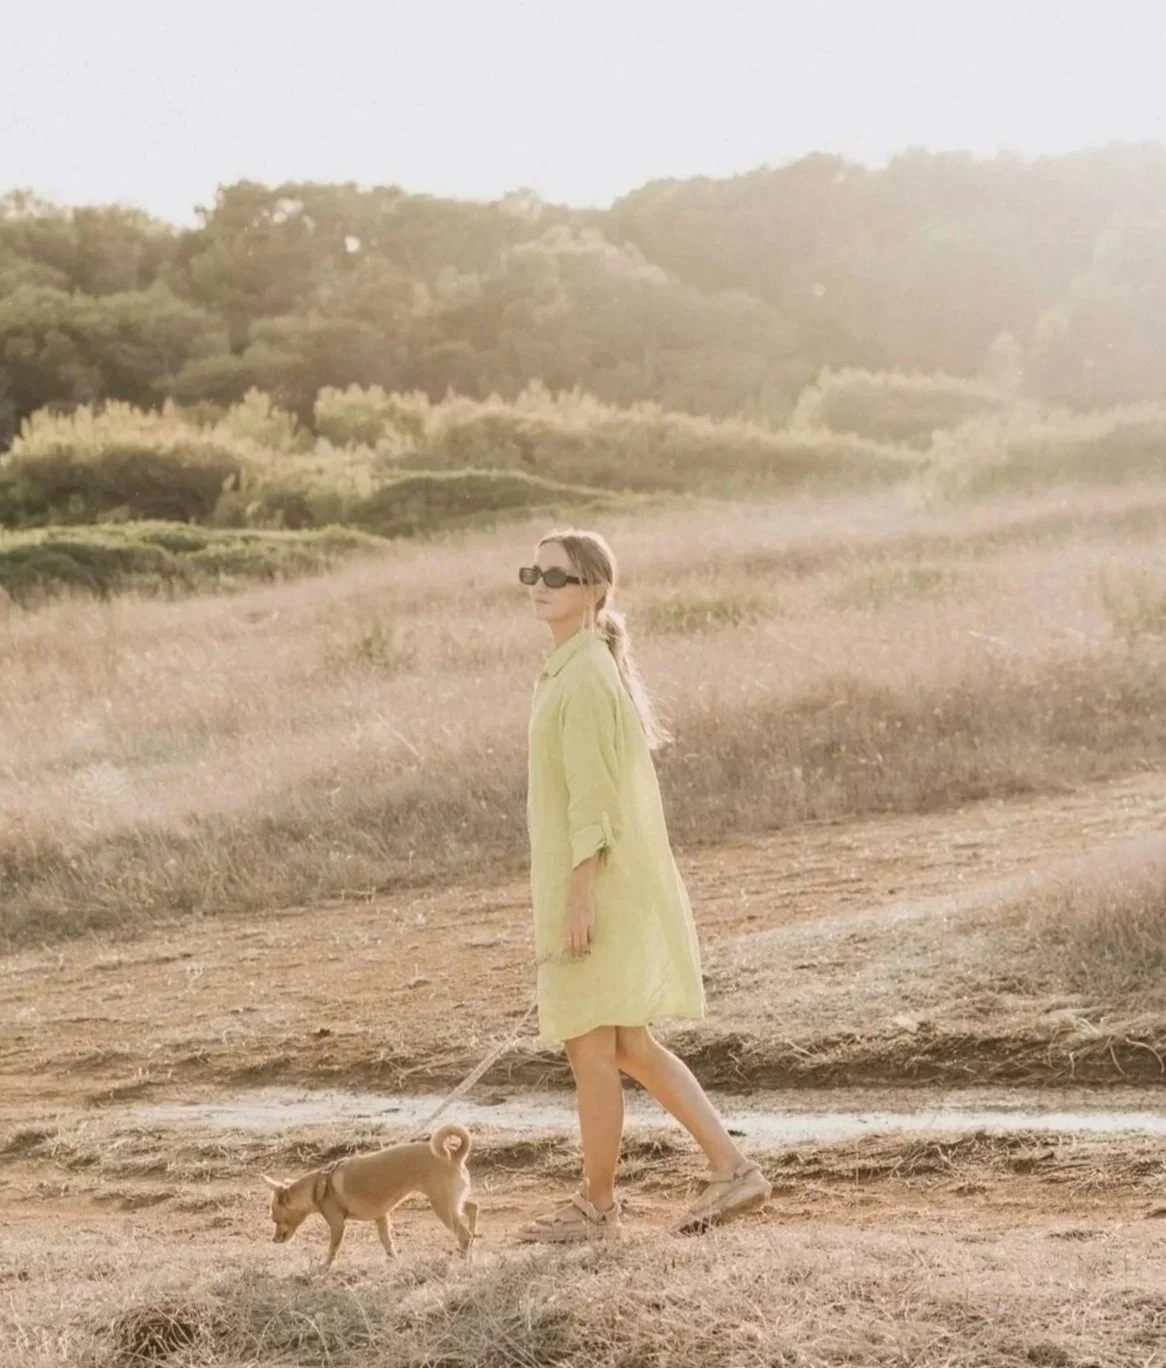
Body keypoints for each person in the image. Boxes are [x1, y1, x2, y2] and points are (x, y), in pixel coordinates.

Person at [515, 527, 771, 1242]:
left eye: (557, 576)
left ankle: (597, 1208)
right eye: (532, 572)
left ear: (594, 589)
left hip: (597, 889)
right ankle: (732, 1168)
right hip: (596, 884)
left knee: (591, 1051)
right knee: (626, 1045)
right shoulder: (572, 666)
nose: (540, 584)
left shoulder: (587, 676)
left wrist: (579, 897)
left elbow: (593, 800)